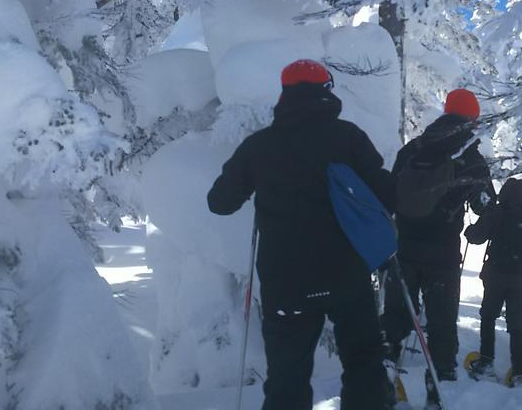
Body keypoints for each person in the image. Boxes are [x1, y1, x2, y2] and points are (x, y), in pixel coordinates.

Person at [207, 59, 395, 410]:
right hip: (347, 277)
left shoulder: (260, 146)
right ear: (326, 90)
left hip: (287, 283)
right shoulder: (349, 137)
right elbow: (388, 195)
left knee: (287, 377)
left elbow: (220, 202)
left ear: (285, 95)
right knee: (364, 362)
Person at [382, 88, 495, 385]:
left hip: (403, 246)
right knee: (442, 319)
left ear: (446, 112)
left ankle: (386, 360)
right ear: (472, 119)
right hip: (442, 251)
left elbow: (390, 191)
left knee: (397, 311)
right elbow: (485, 205)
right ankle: (441, 377)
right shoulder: (468, 156)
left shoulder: (415, 148)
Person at [462, 177, 522, 388]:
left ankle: (486, 361)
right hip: (520, 280)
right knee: (517, 325)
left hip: (495, 277)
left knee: (488, 316)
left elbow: (476, 237)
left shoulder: (496, 213)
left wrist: (468, 230)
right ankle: (519, 371)